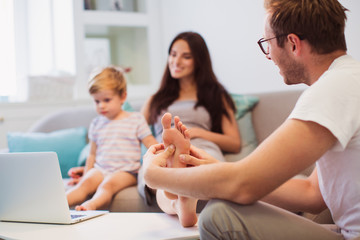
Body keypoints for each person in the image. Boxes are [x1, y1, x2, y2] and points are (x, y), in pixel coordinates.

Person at [142, 0, 360, 239]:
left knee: (220, 214)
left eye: (267, 43)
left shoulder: (332, 90)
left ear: (293, 43)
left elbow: (243, 186)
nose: (268, 56)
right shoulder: (347, 80)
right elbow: (312, 194)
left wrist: (153, 175)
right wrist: (221, 169)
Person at [140, 31, 242, 227]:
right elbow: (135, 132)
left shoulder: (215, 95)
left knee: (170, 171)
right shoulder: (155, 99)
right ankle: (181, 202)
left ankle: (178, 192)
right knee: (155, 170)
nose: (176, 61)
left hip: (199, 146)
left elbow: (234, 142)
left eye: (186, 56)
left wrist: (197, 133)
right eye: (173, 54)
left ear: (199, 61)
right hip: (163, 150)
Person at [66, 66, 157, 211]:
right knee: (85, 184)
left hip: (126, 172)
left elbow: (151, 143)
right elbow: (92, 155)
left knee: (106, 185)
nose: (101, 105)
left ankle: (91, 206)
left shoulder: (136, 119)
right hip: (101, 169)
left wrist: (164, 151)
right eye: (97, 101)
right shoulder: (96, 123)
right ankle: (58, 204)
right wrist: (85, 175)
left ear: (122, 97)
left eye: (107, 100)